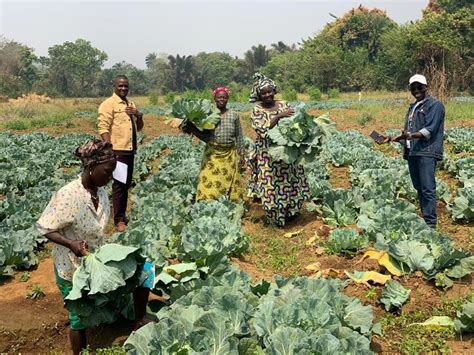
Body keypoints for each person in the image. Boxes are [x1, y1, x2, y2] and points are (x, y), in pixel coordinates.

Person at [36, 140, 150, 355]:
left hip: (97, 261)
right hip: (72, 267)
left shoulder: (102, 192)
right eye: (107, 172)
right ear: (91, 167)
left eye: (112, 172)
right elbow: (44, 228)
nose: (110, 178)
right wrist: (71, 243)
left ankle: (138, 321)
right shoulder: (69, 194)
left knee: (145, 269)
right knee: (78, 320)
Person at [380, 74, 445, 227]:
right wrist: (391, 138)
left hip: (426, 152)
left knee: (427, 188)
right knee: (419, 187)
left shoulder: (435, 105)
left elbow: (429, 130)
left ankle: (430, 224)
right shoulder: (413, 107)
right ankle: (425, 219)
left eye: (419, 87)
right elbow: (409, 133)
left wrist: (410, 135)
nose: (416, 90)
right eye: (413, 88)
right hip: (413, 153)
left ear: (426, 87)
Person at [248, 73, 310, 226]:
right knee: (270, 184)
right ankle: (274, 217)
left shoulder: (284, 104)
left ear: (274, 91)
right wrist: (278, 116)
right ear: (259, 95)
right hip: (267, 155)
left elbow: (296, 122)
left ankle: (291, 214)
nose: (267, 95)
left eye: (270, 91)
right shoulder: (257, 110)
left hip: (287, 152)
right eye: (264, 93)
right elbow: (262, 129)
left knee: (290, 181)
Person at [181, 87, 245, 202]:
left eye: (224, 97)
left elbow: (239, 135)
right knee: (209, 178)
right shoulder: (208, 115)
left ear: (228, 99)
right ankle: (207, 202)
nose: (222, 99)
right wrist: (191, 128)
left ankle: (229, 204)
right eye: (219, 97)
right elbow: (205, 136)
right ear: (214, 99)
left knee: (228, 180)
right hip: (212, 153)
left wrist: (242, 152)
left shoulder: (234, 115)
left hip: (229, 154)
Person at [97, 75, 144, 232]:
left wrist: (138, 114)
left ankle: (122, 215)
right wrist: (109, 148)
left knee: (126, 184)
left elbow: (140, 127)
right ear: (115, 86)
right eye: (120, 86)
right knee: (119, 185)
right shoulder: (108, 104)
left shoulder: (130, 104)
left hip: (129, 150)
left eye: (126, 86)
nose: (123, 88)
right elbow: (103, 127)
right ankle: (118, 220)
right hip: (118, 150)